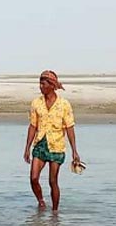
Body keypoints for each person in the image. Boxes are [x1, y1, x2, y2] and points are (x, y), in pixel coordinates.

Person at [24, 70, 81, 212]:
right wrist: (27, 148)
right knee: (33, 178)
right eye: (40, 84)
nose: (40, 87)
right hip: (40, 144)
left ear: (52, 85)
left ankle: (55, 213)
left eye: (43, 84)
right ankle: (41, 201)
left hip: (57, 146)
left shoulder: (64, 104)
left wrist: (75, 151)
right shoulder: (36, 103)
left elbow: (69, 128)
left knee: (52, 181)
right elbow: (33, 126)